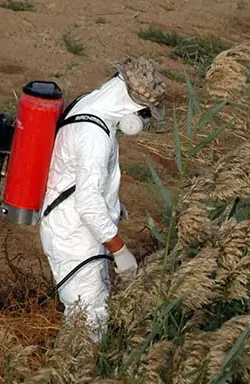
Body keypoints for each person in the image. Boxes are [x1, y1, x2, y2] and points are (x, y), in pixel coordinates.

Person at [39, 56, 168, 342]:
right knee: (89, 319)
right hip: (73, 233)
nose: (143, 121)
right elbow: (87, 202)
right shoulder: (94, 135)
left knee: (93, 308)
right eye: (145, 114)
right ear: (133, 108)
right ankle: (75, 368)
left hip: (77, 225)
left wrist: (114, 205)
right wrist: (119, 250)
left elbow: (78, 177)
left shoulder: (92, 104)